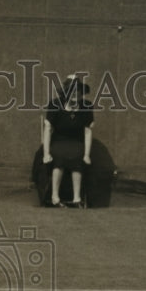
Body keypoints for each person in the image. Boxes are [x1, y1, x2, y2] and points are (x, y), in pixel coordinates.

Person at [42, 75, 94, 208]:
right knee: (59, 156)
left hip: (77, 141)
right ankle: (55, 197)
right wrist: (46, 153)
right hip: (58, 141)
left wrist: (87, 155)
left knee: (77, 156)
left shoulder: (86, 106)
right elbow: (47, 129)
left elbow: (88, 132)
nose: (76, 94)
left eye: (78, 91)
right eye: (72, 91)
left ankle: (77, 198)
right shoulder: (55, 104)